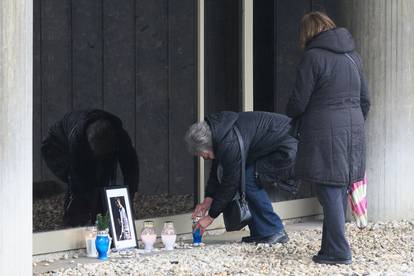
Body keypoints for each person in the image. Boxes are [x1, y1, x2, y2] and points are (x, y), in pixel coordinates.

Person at [286, 12, 370, 265]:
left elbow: (299, 101)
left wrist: (290, 113)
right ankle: (329, 248)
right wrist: (352, 124)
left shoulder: (313, 57)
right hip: (354, 131)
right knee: (338, 188)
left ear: (307, 33)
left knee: (330, 190)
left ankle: (338, 251)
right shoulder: (352, 56)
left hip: (324, 132)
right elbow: (365, 100)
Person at [185, 111, 298, 244]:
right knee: (246, 177)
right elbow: (217, 169)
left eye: (203, 154)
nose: (205, 158)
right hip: (283, 142)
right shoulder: (219, 134)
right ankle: (262, 232)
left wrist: (210, 217)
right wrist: (208, 199)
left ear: (207, 146)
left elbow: (230, 183)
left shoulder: (228, 141)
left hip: (288, 148)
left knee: (249, 179)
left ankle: (274, 230)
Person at [41, 109, 139, 226]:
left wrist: (130, 195)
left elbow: (131, 166)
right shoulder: (77, 139)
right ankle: (74, 224)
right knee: (83, 186)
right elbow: (78, 178)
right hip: (57, 146)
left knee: (102, 178)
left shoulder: (120, 136)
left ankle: (101, 221)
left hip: (95, 145)